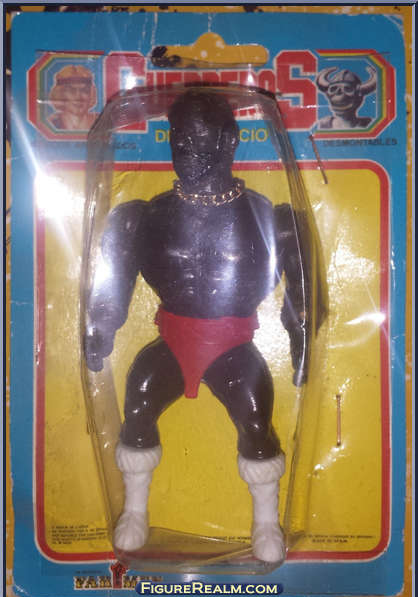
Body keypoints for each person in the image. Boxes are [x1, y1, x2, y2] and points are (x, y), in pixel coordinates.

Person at [84, 89, 324, 563]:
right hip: (173, 340)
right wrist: (100, 330)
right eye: (179, 140)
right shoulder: (145, 218)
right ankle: (134, 510)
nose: (188, 151)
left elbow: (302, 289)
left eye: (200, 140)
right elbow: (113, 285)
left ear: (229, 142)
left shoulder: (267, 220)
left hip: (233, 346)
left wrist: (301, 336)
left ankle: (266, 521)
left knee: (255, 421)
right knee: (139, 405)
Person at [49, 65, 99, 131]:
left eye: (84, 90)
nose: (78, 96)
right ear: (61, 94)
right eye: (71, 91)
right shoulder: (51, 124)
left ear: (91, 94)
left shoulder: (100, 121)